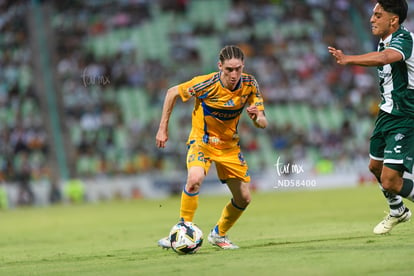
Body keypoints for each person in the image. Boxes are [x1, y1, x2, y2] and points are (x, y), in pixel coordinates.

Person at [156, 45, 268, 249]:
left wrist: (256, 117)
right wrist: (163, 128)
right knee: (194, 179)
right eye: (229, 69)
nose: (234, 74)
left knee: (244, 198)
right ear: (220, 66)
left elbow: (263, 121)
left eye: (238, 69)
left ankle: (218, 234)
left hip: (229, 148)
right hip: (202, 142)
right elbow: (172, 93)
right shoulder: (205, 84)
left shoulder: (250, 84)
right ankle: (182, 230)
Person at [328, 0, 414, 234]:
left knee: (391, 181)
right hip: (387, 113)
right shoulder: (383, 41)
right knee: (375, 167)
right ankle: (398, 212)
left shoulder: (403, 39)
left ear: (393, 20)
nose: (371, 19)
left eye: (378, 15)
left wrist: (348, 59)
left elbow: (385, 58)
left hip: (406, 116)